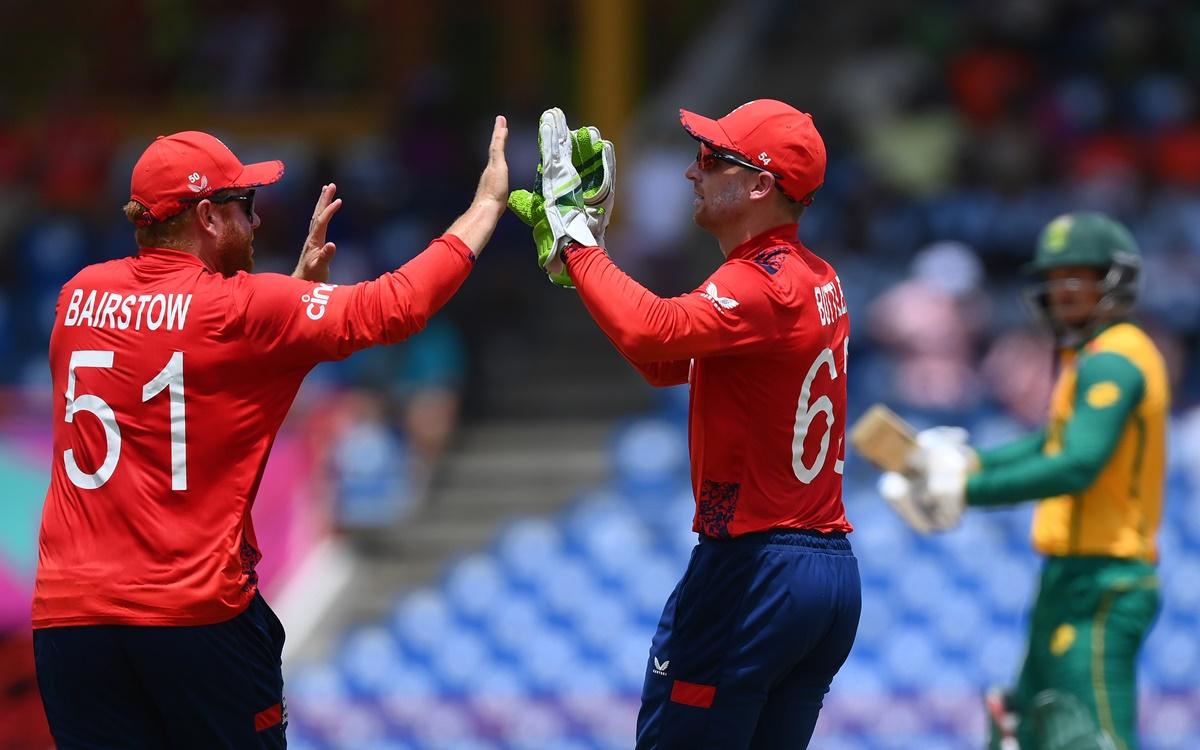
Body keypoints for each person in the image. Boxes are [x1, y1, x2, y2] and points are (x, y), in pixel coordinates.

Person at [32, 119, 510, 748]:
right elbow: (396, 305)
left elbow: (185, 363)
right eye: (245, 206)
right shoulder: (246, 308)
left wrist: (294, 298)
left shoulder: (76, 296)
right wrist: (486, 205)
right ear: (206, 216)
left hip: (71, 621)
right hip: (191, 617)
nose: (257, 223)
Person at [514, 101, 861, 749]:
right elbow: (667, 362)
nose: (690, 173)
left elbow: (652, 336)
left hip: (755, 566)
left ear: (760, 184)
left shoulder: (762, 283)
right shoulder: (816, 276)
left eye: (712, 159)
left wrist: (580, 241)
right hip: (826, 575)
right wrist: (584, 266)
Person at [880, 212, 1166, 750]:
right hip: (1070, 575)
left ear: (1116, 279)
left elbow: (1077, 465)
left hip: (1105, 580)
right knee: (1026, 730)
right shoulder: (1086, 357)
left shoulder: (1116, 360)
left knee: (1092, 737)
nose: (1062, 291)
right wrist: (970, 462)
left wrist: (965, 492)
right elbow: (1048, 445)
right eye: (1055, 278)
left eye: (1078, 276)